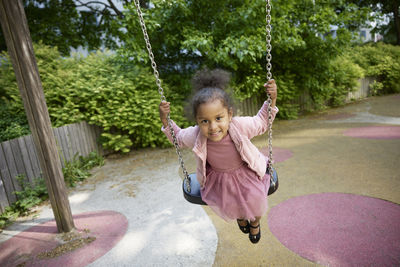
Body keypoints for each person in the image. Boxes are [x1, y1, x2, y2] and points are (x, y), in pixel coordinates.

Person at [159, 69, 278, 244]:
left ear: (229, 114)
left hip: (247, 174)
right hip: (219, 180)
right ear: (197, 121)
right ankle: (241, 218)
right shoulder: (196, 134)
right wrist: (165, 120)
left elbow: (261, 122)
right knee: (231, 205)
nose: (213, 127)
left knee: (256, 203)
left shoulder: (239, 126)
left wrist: (272, 99)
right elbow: (178, 138)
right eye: (204, 121)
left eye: (218, 118)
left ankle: (255, 223)